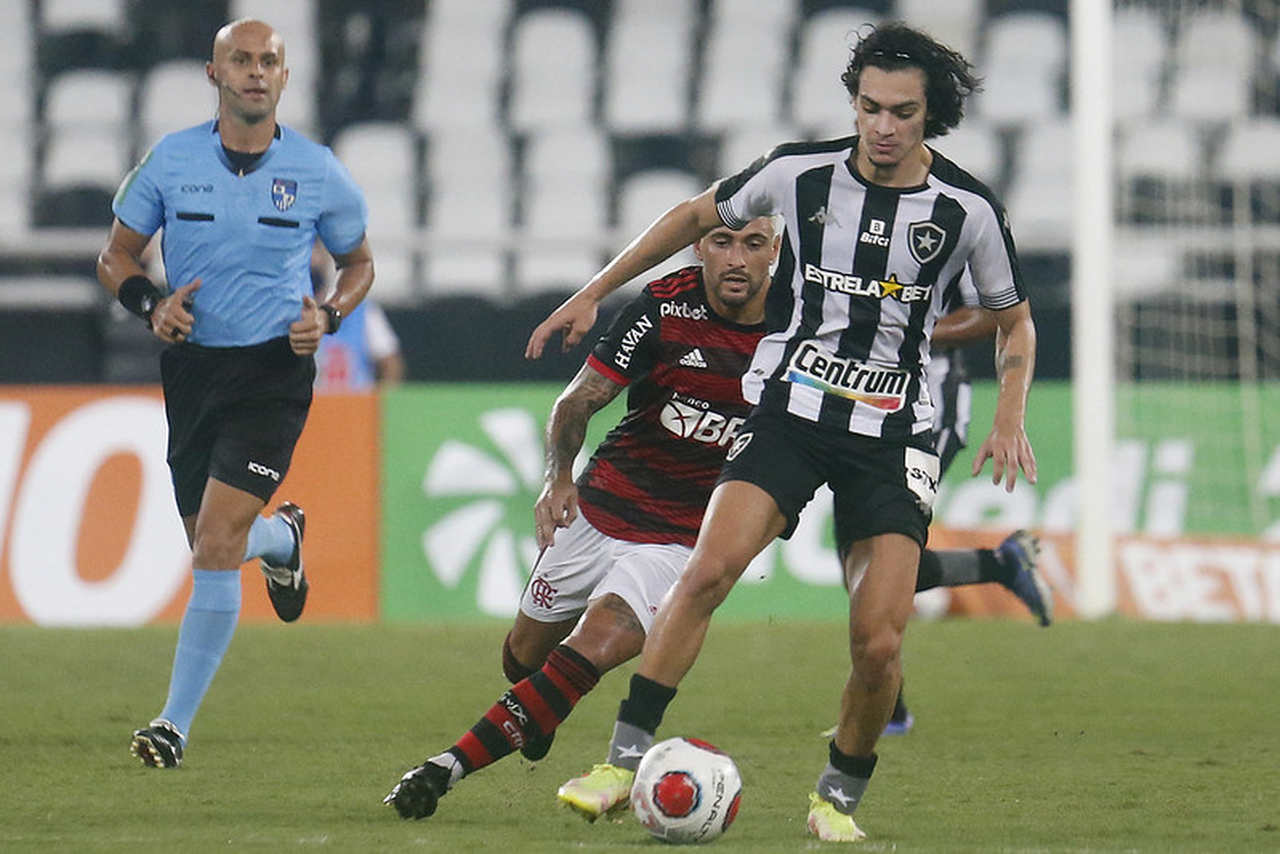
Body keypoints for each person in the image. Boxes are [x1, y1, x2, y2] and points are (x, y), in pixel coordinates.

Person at [524, 23, 1037, 843]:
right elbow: (692, 214)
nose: (882, 127)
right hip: (791, 413)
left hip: (892, 434)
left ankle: (836, 796)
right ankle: (621, 763)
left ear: (928, 115)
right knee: (705, 574)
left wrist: (1008, 409)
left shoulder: (966, 209)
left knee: (877, 641)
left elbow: (1015, 323)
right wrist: (596, 290)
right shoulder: (799, 172)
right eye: (869, 107)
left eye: (902, 112)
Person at [383, 215, 782, 819]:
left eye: (752, 244)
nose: (735, 259)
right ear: (700, 245)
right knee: (522, 657)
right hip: (602, 506)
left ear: (774, 251)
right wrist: (558, 478)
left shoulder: (802, 325)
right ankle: (534, 710)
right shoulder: (664, 307)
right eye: (722, 242)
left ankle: (446, 767)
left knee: (591, 648)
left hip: (679, 540)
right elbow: (579, 400)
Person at [96, 18, 373, 769]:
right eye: (241, 61)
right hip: (192, 369)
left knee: (215, 546)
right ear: (214, 75)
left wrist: (332, 314)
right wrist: (151, 305)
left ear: (286, 78)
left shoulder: (318, 170)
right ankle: (283, 539)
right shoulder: (170, 161)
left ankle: (172, 725)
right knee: (208, 542)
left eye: (270, 62)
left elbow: (358, 264)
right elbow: (116, 255)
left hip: (273, 371)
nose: (256, 72)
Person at [311, 242, 404, 391]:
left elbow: (390, 362)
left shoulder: (361, 309)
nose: (312, 259)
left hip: (354, 408)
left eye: (316, 250)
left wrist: (374, 403)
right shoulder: (283, 311)